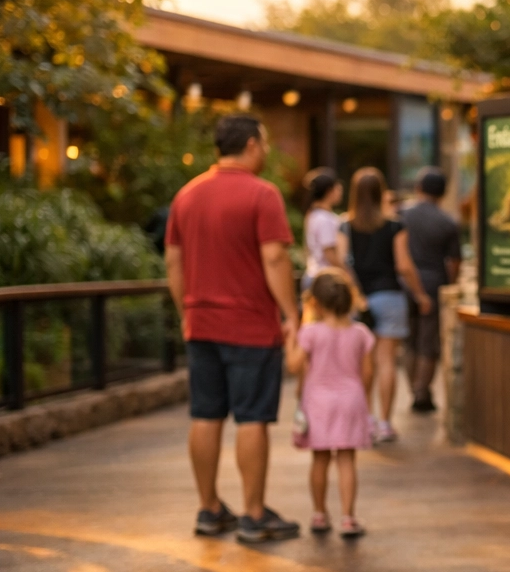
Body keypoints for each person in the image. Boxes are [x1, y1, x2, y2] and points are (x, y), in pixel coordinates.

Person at [165, 113, 301, 543]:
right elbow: (274, 258)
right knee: (252, 418)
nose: (266, 150)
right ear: (251, 145)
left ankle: (208, 509)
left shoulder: (186, 195)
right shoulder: (262, 194)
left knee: (205, 414)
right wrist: (291, 314)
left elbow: (173, 262)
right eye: (265, 143)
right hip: (250, 326)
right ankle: (254, 515)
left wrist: (186, 311)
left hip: (201, 323)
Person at [336, 167, 431, 444]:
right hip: (390, 296)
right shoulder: (395, 225)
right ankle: (385, 423)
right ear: (382, 192)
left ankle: (365, 421)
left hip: (360, 300)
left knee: (364, 363)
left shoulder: (345, 225)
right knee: (387, 361)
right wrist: (420, 294)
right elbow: (404, 265)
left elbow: (342, 263)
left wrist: (357, 295)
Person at [287, 270, 374, 538]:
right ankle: (348, 518)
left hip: (318, 402)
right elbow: (368, 372)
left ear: (314, 302)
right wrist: (364, 398)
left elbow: (294, 365)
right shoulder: (360, 333)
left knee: (320, 459)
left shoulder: (311, 333)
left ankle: (319, 514)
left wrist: (290, 337)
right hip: (351, 399)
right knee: (347, 459)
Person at [400, 167, 461, 412]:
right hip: (433, 285)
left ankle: (413, 390)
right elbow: (454, 262)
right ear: (443, 193)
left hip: (404, 284)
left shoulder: (401, 215)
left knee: (410, 341)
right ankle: (421, 391)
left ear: (418, 188)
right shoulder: (447, 222)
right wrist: (450, 285)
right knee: (428, 342)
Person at [301, 167, 343, 293]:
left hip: (313, 273)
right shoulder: (324, 218)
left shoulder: (313, 215)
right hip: (325, 278)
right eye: (337, 188)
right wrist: (345, 272)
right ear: (329, 191)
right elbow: (329, 252)